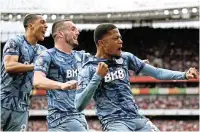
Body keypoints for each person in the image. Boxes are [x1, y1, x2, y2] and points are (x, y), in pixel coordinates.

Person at [75, 23, 198, 131]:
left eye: (120, 38)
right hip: (115, 123)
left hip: (137, 119)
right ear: (102, 43)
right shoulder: (89, 68)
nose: (121, 41)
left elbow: (157, 73)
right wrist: (97, 77)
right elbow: (79, 105)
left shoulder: (125, 58)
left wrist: (184, 75)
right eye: (116, 38)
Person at [33, 19, 89, 131]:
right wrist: (62, 85)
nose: (77, 32)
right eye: (73, 29)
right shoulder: (47, 56)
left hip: (80, 117)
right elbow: (37, 81)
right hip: (62, 119)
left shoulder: (81, 56)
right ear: (60, 34)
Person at [1, 14, 48, 131]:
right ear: (30, 26)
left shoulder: (43, 51)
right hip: (2, 102)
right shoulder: (15, 42)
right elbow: (10, 66)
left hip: (21, 108)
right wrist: (36, 66)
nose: (46, 26)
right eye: (42, 22)